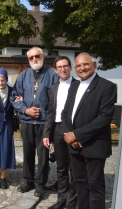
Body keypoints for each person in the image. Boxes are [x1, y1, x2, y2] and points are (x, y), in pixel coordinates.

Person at [62, 53, 117, 209]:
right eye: (78, 65)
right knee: (79, 182)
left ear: (94, 65)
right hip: (73, 145)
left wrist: (77, 134)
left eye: (85, 64)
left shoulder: (107, 86)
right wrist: (69, 134)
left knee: (95, 185)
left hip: (94, 145)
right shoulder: (74, 86)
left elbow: (104, 118)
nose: (82, 68)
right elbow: (65, 113)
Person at [10, 47, 59, 197]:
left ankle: (40, 184)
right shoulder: (23, 76)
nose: (34, 59)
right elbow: (14, 97)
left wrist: (42, 112)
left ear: (43, 56)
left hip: (44, 122)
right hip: (27, 121)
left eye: (37, 56)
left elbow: (56, 98)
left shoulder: (52, 75)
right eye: (31, 58)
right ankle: (28, 181)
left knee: (43, 155)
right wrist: (26, 110)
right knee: (28, 153)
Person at [43, 56, 78, 209]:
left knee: (74, 168)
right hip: (57, 129)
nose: (63, 69)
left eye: (65, 66)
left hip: (73, 129)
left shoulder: (79, 85)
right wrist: (46, 133)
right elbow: (51, 112)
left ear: (70, 67)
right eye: (59, 67)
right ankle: (61, 199)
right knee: (61, 167)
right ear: (56, 70)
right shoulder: (54, 88)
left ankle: (72, 201)